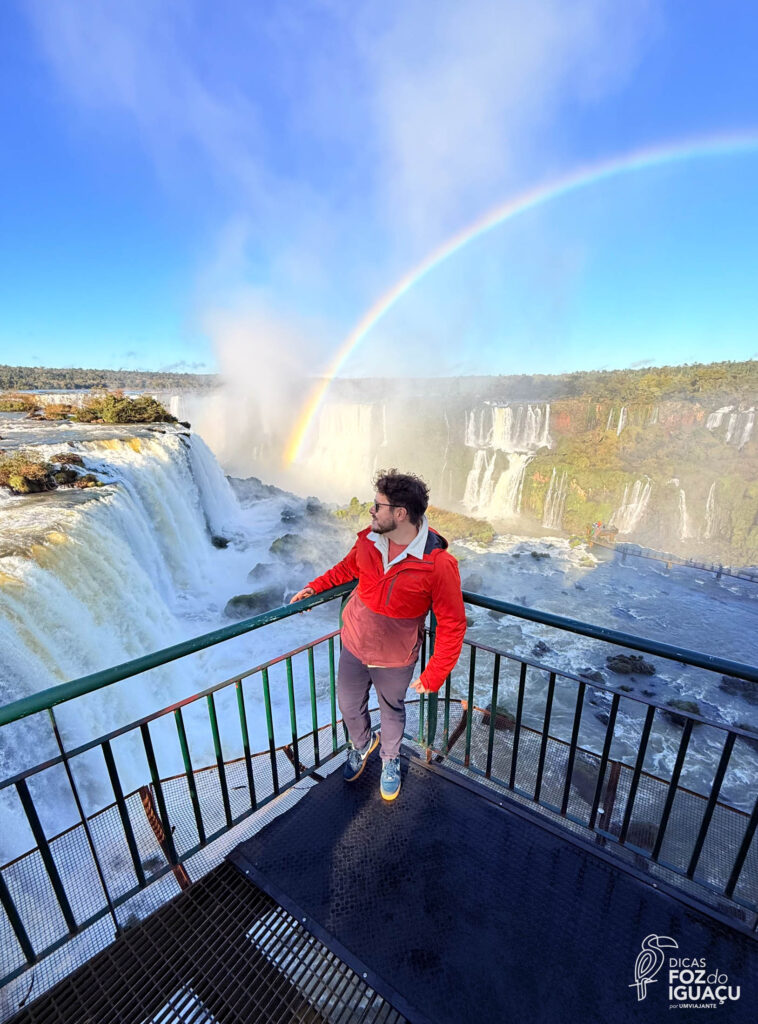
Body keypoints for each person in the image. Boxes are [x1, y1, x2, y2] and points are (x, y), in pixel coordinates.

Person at [291, 469, 466, 802]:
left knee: (391, 711)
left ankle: (390, 760)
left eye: (378, 505)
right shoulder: (368, 540)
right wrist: (315, 588)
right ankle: (361, 745)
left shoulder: (438, 565)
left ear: (400, 514)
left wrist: (435, 673)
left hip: (395, 656)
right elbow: (347, 569)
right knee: (348, 705)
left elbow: (452, 623)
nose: (371, 511)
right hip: (355, 642)